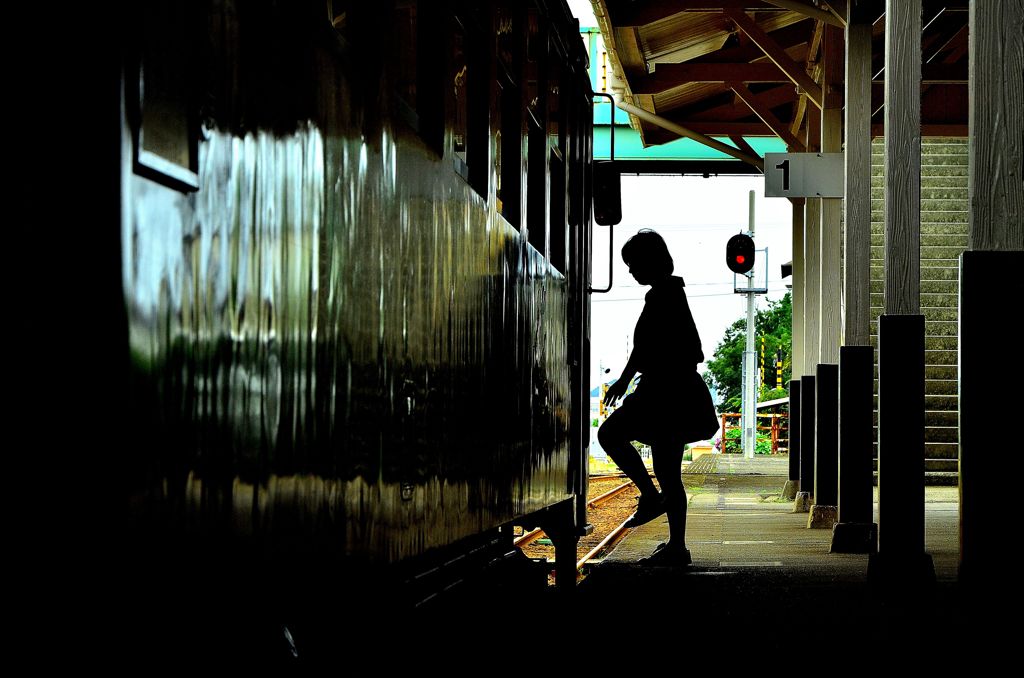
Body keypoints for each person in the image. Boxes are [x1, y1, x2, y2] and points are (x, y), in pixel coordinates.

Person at [597, 230, 719, 566]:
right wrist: (626, 379)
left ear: (649, 261)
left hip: (663, 392)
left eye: (633, 263)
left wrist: (625, 379)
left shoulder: (663, 295)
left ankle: (650, 498)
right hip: (676, 392)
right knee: (669, 471)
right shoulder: (670, 292)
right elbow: (652, 347)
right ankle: (677, 546)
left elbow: (647, 347)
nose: (631, 270)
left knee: (608, 434)